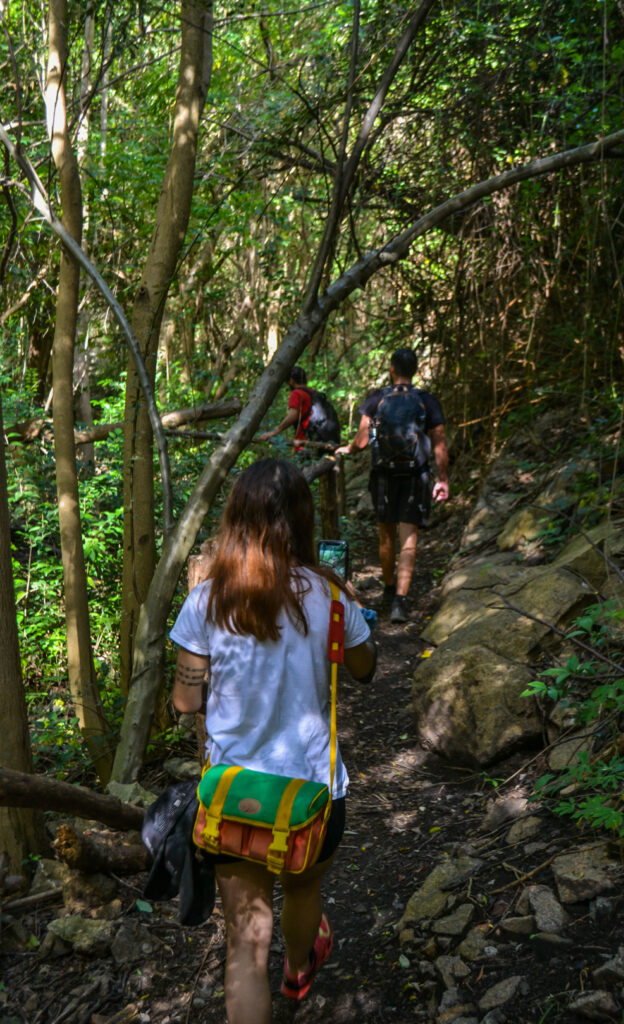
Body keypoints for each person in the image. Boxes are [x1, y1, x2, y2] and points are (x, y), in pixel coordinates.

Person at [170, 458, 377, 1024]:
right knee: (304, 890)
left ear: (236, 518)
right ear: (303, 520)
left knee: (244, 944)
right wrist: (351, 607)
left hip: (236, 796)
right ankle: (299, 967)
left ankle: (276, 970)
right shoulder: (331, 595)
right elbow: (365, 668)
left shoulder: (207, 599)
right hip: (314, 791)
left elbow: (186, 701)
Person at [336, 348, 449, 624]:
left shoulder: (378, 398)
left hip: (384, 476)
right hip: (416, 475)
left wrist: (347, 449)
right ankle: (400, 602)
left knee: (385, 534)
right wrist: (443, 479)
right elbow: (440, 442)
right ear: (415, 370)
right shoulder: (427, 401)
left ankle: (388, 588)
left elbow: (362, 442)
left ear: (392, 369)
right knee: (408, 537)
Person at [255, 366, 313, 448]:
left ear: (291, 381)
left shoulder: (297, 393)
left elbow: (293, 415)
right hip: (317, 439)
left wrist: (273, 432)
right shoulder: (312, 393)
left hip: (304, 443)